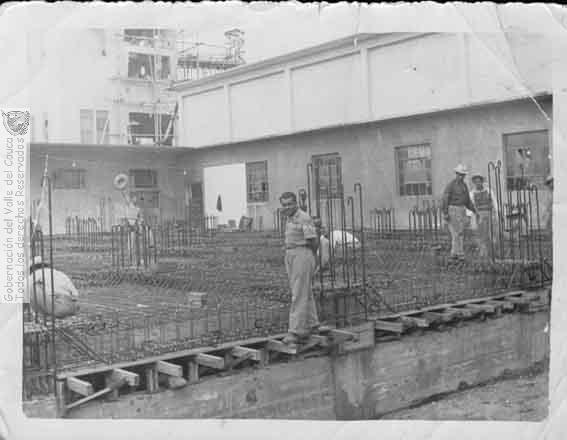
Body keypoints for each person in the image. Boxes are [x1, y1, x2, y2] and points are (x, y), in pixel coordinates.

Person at [279, 191, 320, 348]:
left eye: (290, 204)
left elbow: (313, 241)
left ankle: (295, 331)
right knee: (304, 291)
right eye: (284, 205)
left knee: (298, 293)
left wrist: (310, 257)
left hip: (302, 253)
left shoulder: (304, 217)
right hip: (291, 254)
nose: (287, 207)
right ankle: (313, 324)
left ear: (296, 203)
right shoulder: (289, 218)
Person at [441, 164, 479, 262]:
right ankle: (457, 254)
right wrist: (445, 213)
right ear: (456, 174)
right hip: (453, 209)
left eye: (463, 175)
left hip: (462, 209)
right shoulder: (451, 185)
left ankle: (456, 253)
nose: (461, 176)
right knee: (456, 232)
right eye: (459, 174)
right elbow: (445, 199)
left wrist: (475, 210)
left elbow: (467, 201)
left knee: (460, 232)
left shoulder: (464, 185)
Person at [468, 174, 498, 259]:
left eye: (479, 181)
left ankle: (493, 253)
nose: (478, 183)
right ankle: (483, 254)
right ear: (474, 183)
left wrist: (496, 213)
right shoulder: (472, 193)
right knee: (481, 235)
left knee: (492, 234)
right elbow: (471, 205)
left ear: (482, 182)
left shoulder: (489, 191)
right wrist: (472, 216)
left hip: (490, 214)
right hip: (479, 216)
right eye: (476, 182)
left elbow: (494, 202)